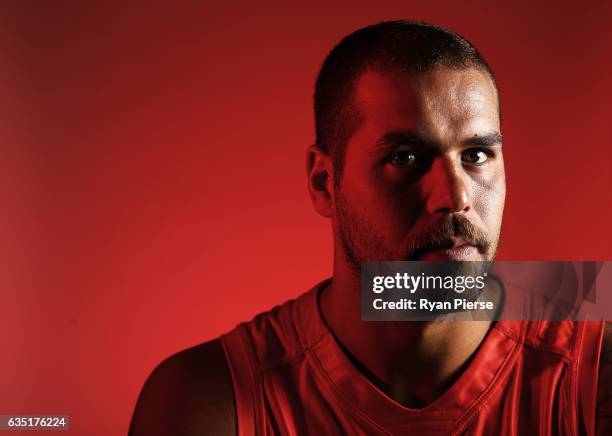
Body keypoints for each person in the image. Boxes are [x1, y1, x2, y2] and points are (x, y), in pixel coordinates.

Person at [129, 21, 610, 435]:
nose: (457, 197)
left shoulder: (594, 377)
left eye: (477, 155)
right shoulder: (210, 401)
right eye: (405, 158)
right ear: (324, 183)